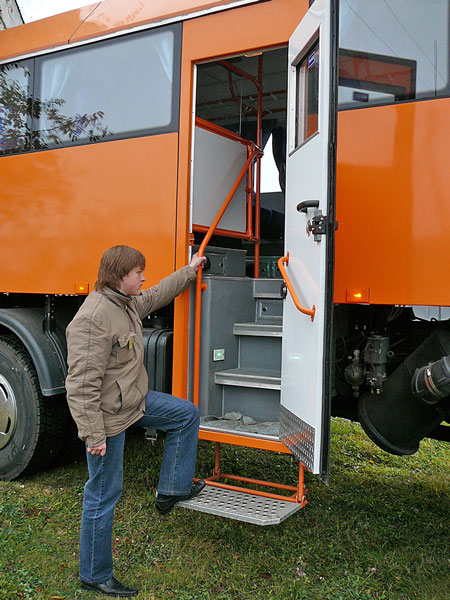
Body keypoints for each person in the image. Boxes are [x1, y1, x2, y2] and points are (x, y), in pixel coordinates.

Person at [65, 245, 207, 598]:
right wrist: (94, 435)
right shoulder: (94, 317)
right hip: (108, 420)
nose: (143, 278)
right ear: (119, 276)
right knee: (102, 494)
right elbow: (81, 385)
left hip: (133, 403)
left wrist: (190, 270)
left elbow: (158, 294)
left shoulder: (125, 304)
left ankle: (172, 490)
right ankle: (95, 574)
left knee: (185, 415)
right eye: (138, 272)